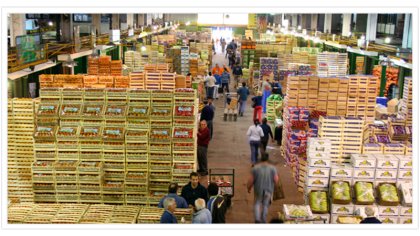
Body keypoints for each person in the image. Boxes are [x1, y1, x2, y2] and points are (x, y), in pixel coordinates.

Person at [247, 153, 279, 223]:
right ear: (268, 160)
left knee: (257, 203)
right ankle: (263, 220)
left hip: (258, 190)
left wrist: (249, 188)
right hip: (269, 190)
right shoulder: (273, 169)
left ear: (261, 159)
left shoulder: (255, 168)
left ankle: (257, 220)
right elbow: (276, 180)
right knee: (265, 205)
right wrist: (275, 188)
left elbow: (251, 180)